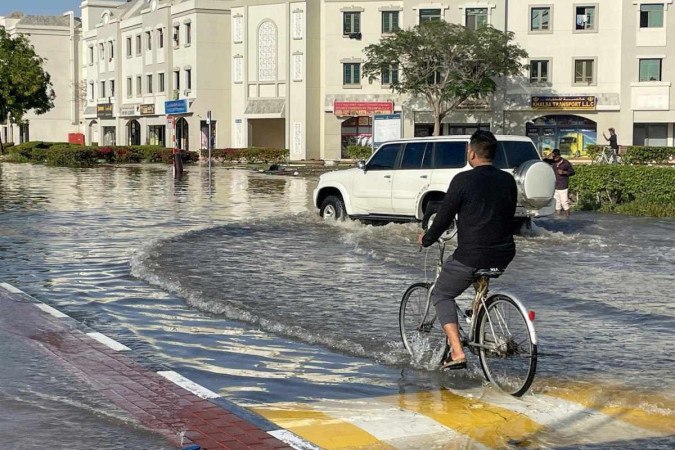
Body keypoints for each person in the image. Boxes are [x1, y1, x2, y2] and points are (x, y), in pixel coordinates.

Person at [417, 130, 517, 370]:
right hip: (504, 252)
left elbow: (443, 218)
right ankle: (477, 316)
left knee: (442, 294)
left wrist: (427, 239)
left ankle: (457, 351)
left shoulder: (462, 180)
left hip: (473, 254)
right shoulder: (508, 180)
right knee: (478, 276)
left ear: (471, 153)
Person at [543, 149, 575, 216]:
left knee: (564, 203)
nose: (555, 159)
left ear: (559, 156)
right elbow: (543, 160)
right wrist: (550, 155)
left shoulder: (565, 163)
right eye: (554, 157)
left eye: (556, 157)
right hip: (556, 185)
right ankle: (557, 218)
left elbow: (572, 172)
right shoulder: (552, 161)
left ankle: (568, 217)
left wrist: (564, 172)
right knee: (557, 203)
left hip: (563, 185)